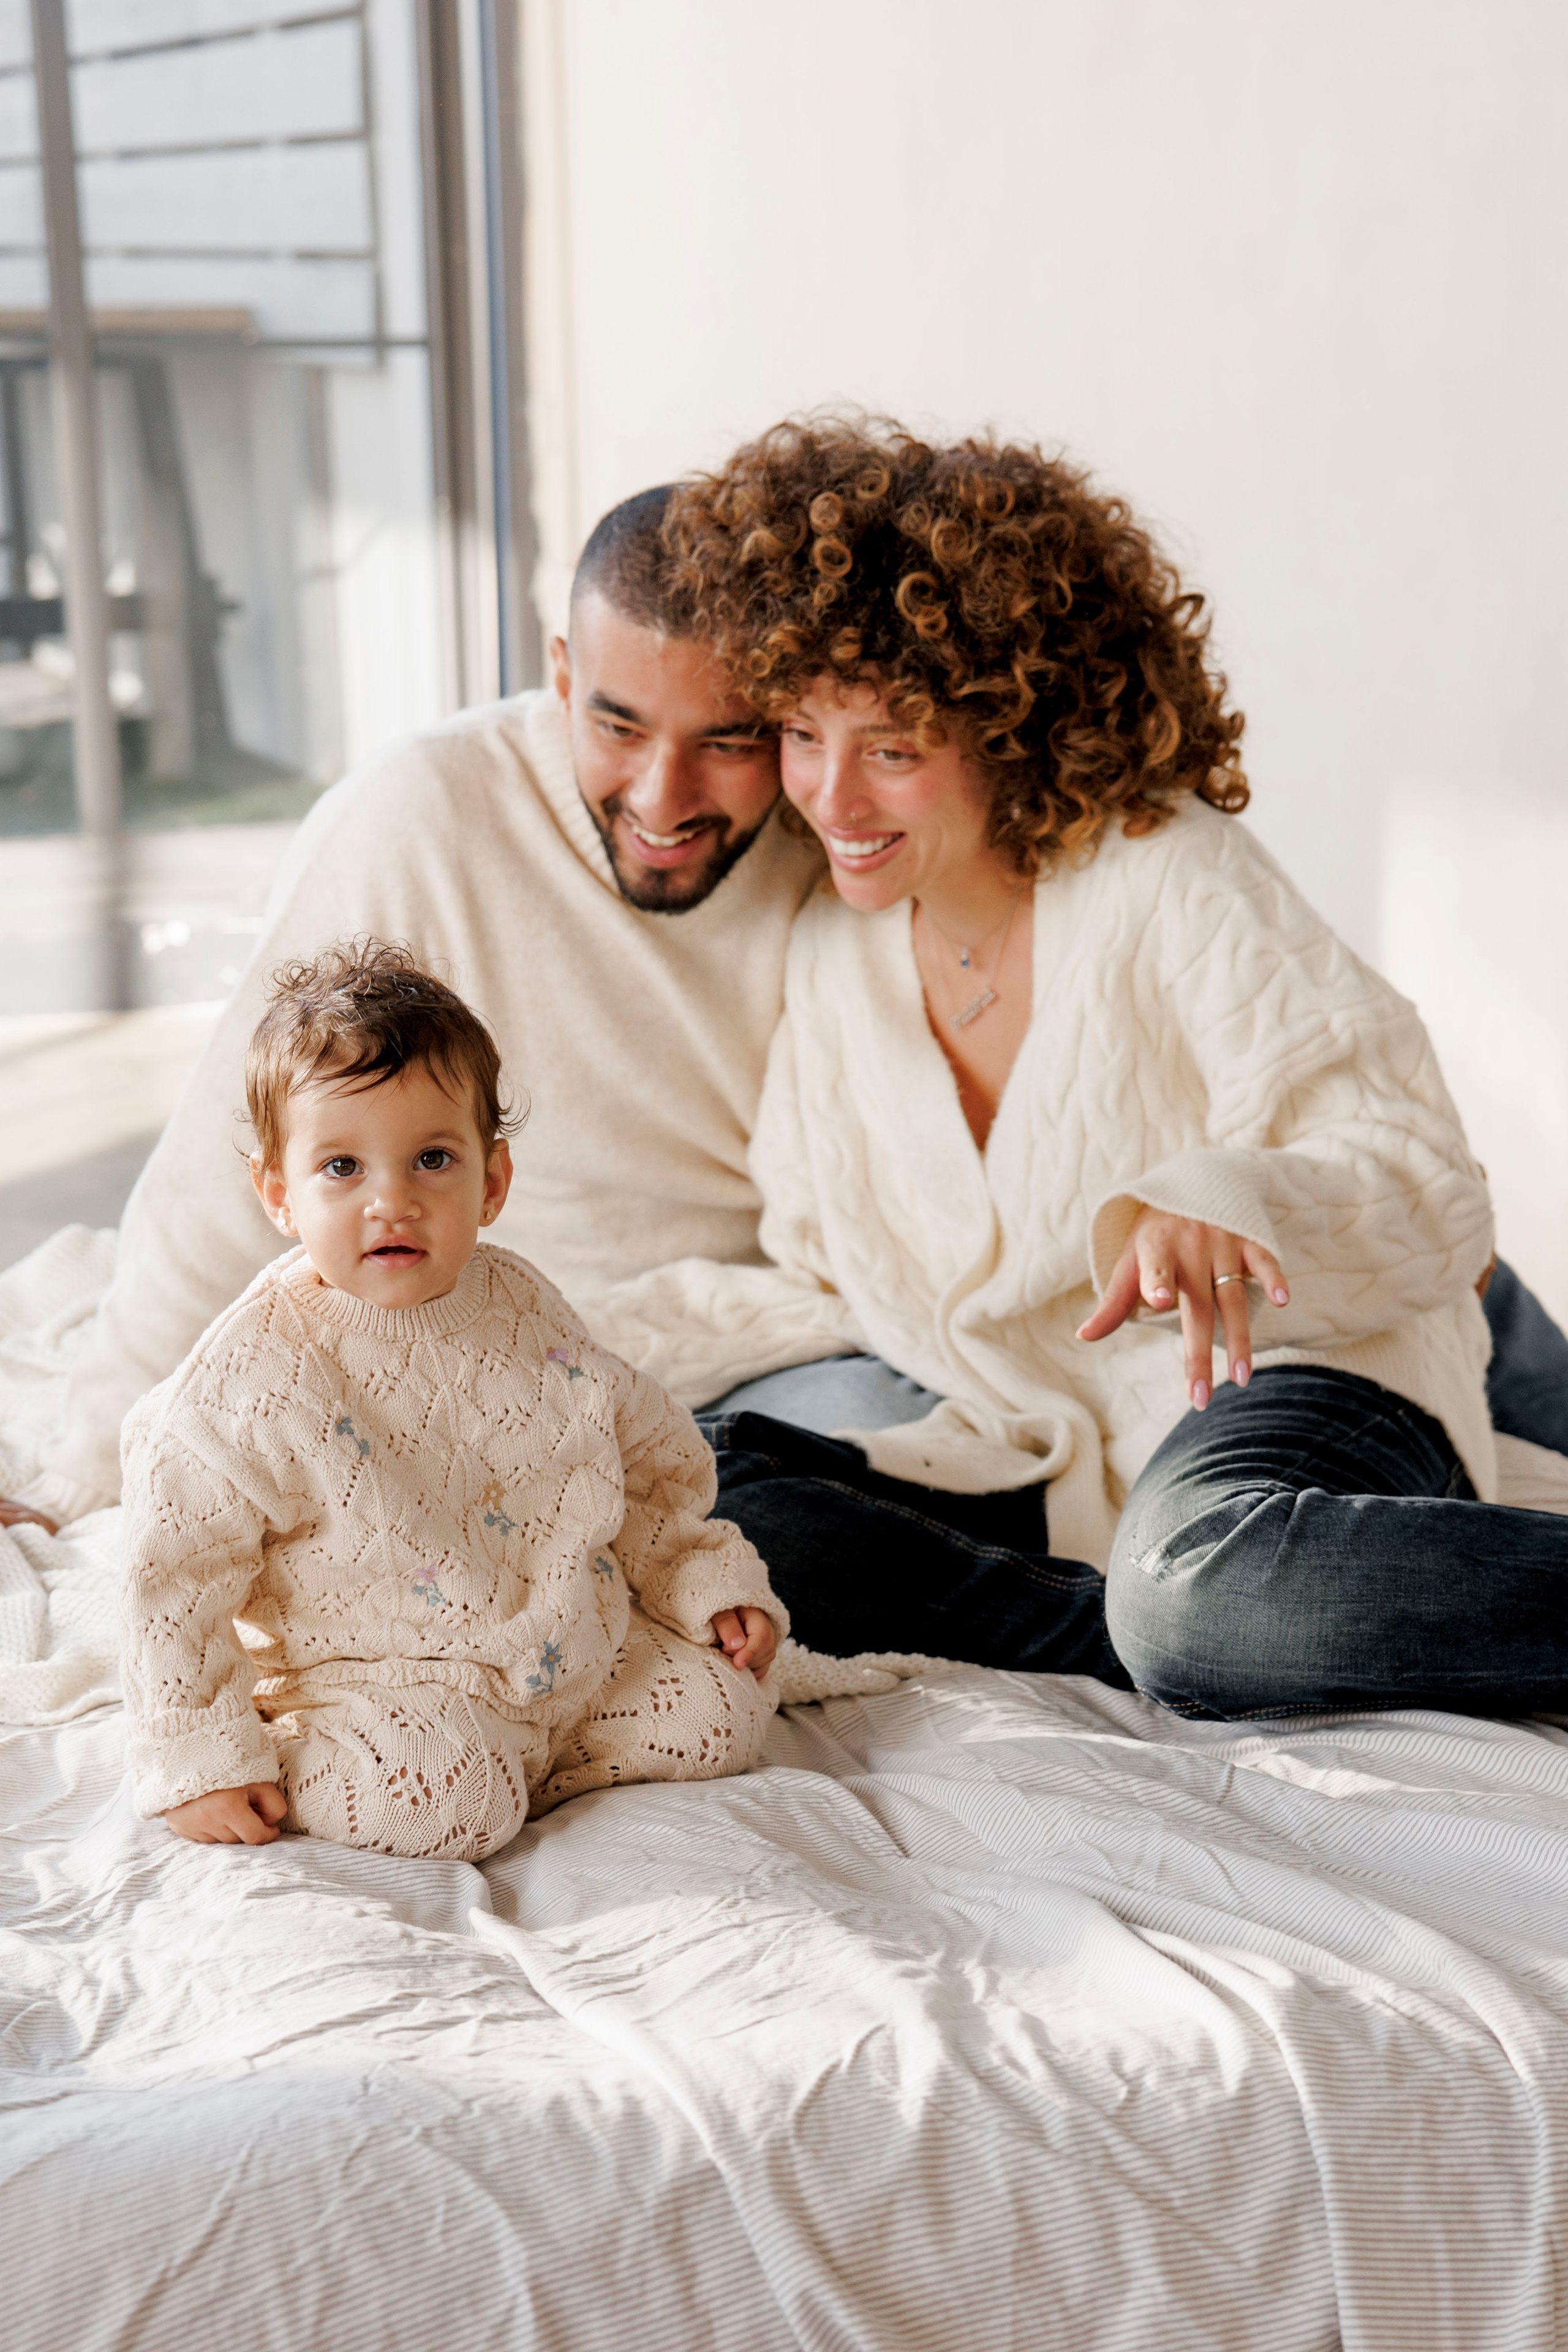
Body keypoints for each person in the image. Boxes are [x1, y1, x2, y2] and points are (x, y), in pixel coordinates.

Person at [590, 416, 1568, 1718]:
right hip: (1057, 1474)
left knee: (1194, 1581)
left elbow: (1424, 1178)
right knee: (706, 1500)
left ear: (1006, 726)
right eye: (802, 735)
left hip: (1284, 1393)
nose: (831, 797)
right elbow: (824, 1286)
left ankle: (1189, 1627)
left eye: (891, 748)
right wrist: (559, 1359)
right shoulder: (833, 959)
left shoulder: (1160, 871)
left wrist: (1225, 1195)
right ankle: (1151, 1644)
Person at [4, 487, 822, 1531]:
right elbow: (231, 1156)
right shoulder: (422, 811)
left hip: (765, 1346)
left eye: (731, 740)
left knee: (809, 1492)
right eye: (617, 725)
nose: (664, 798)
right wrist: (84, 1477)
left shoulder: (832, 834)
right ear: (562, 673)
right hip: (477, 1338)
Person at [120, 941, 781, 1859]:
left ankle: (534, 1749)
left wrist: (698, 1578)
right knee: (442, 1804)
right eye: (343, 1169)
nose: (392, 1201)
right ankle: (403, 1760)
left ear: (494, 1180)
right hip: (369, 1672)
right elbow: (176, 1575)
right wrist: (201, 1759)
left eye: (432, 1159)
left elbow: (629, 1459)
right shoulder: (256, 1374)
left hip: (548, 1643)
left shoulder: (520, 1307)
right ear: (279, 1194)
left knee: (722, 1715)